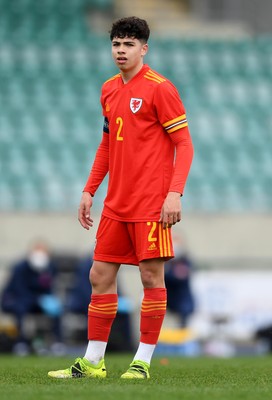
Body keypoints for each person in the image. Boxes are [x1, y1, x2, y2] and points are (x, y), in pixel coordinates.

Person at [48, 16, 193, 379]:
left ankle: (141, 362)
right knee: (99, 275)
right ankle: (93, 362)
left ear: (144, 48)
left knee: (149, 277)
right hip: (116, 203)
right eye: (116, 44)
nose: (121, 51)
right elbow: (107, 145)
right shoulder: (109, 89)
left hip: (151, 203)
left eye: (129, 45)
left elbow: (184, 145)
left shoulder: (161, 89)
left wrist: (174, 193)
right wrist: (89, 189)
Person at [1, 241, 64, 355]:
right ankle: (21, 343)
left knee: (56, 309)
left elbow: (49, 287)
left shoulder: (50, 267)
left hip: (39, 301)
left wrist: (47, 300)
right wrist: (38, 299)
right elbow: (19, 290)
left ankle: (57, 342)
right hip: (18, 299)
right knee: (21, 309)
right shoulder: (20, 267)